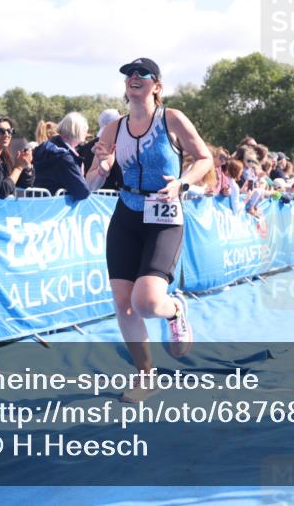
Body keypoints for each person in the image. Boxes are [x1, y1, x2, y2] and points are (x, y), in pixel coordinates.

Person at [88, 58, 211, 397]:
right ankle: (146, 375)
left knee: (146, 301)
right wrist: (101, 165)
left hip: (164, 215)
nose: (134, 78)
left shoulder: (172, 118)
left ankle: (174, 309)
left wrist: (182, 183)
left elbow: (205, 159)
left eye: (142, 74)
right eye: (129, 74)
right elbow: (90, 185)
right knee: (123, 303)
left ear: (157, 86)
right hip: (127, 214)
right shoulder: (114, 128)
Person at [32, 112, 92, 199]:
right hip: (55, 208)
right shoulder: (65, 158)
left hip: (37, 203)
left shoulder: (45, 146)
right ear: (79, 133)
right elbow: (82, 192)